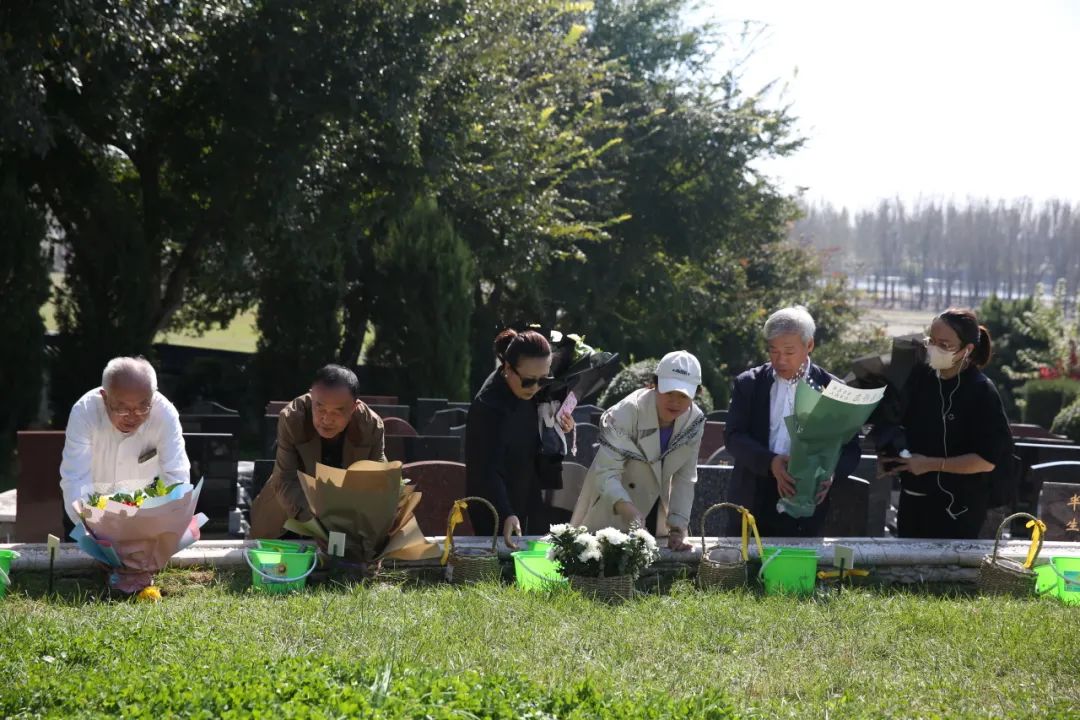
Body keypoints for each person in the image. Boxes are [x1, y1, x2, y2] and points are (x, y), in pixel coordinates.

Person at [726, 306, 860, 537]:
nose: (780, 360)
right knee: (745, 568)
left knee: (797, 570)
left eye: (789, 352)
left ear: (809, 346)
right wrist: (771, 463)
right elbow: (733, 436)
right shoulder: (749, 384)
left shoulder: (833, 389)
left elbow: (850, 449)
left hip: (806, 497)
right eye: (773, 351)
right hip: (754, 492)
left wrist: (831, 473)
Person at [878, 308, 1012, 539]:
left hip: (959, 509)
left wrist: (931, 464)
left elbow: (986, 461)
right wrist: (888, 455)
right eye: (931, 341)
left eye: (945, 344)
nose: (934, 349)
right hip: (912, 500)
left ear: (967, 349)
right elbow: (898, 423)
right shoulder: (920, 379)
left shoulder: (981, 392)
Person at [571, 351, 706, 551]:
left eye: (684, 395)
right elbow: (606, 474)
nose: (675, 401)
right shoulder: (624, 413)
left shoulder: (694, 421)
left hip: (655, 513)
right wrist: (630, 512)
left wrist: (678, 528)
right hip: (611, 508)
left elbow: (685, 478)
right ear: (655, 385)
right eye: (669, 392)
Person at [465, 328, 574, 548]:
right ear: (507, 369)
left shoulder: (529, 388)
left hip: (527, 486)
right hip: (493, 500)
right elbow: (486, 470)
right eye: (528, 381)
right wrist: (506, 513)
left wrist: (560, 422)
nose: (534, 388)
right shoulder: (488, 406)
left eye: (543, 380)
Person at [249, 364, 386, 539]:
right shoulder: (292, 418)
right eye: (320, 408)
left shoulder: (371, 426)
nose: (327, 419)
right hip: (290, 500)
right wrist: (319, 526)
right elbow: (285, 479)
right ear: (311, 396)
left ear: (354, 407)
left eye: (338, 411)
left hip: (345, 510)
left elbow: (379, 483)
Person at [60, 357, 190, 527]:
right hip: (88, 510)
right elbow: (75, 478)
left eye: (143, 407)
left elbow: (176, 476)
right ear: (104, 397)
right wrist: (92, 525)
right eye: (122, 408)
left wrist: (165, 523)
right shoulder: (84, 413)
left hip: (145, 515)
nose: (132, 416)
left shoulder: (165, 414)